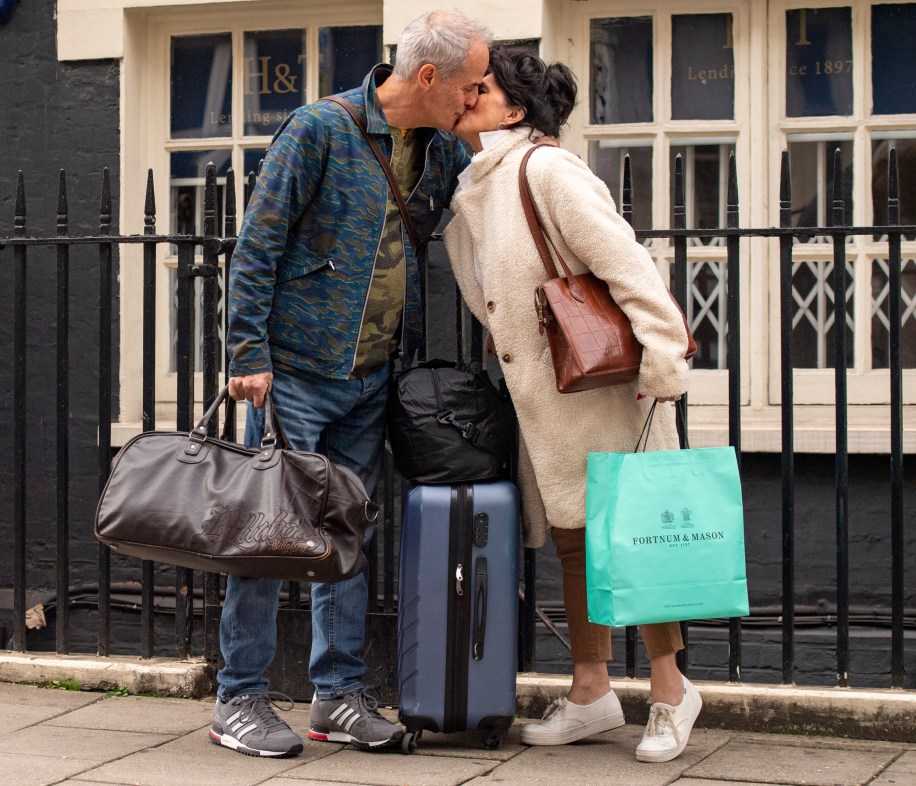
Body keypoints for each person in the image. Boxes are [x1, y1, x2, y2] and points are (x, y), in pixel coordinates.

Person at [210, 10, 492, 758]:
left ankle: (337, 694)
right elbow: (259, 242)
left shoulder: (437, 154)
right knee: (268, 537)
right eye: (468, 87)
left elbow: (490, 191)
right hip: (294, 373)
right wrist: (247, 352)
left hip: (371, 377)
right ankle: (238, 697)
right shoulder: (320, 130)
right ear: (428, 77)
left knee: (348, 539)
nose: (472, 100)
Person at [443, 47, 702, 763]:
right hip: (547, 396)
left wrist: (664, 358)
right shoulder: (481, 184)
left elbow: (627, 264)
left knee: (632, 537)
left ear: (516, 111)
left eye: (482, 89)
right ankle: (592, 691)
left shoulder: (547, 170)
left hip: (604, 389)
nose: (467, 96)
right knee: (575, 537)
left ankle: (672, 691)